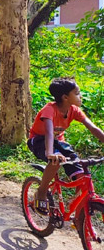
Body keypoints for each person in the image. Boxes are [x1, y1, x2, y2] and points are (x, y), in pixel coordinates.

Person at [27, 78, 104, 214]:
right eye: (77, 93)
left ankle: (77, 207)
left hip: (58, 142)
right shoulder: (49, 109)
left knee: (80, 173)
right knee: (55, 160)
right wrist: (50, 153)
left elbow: (93, 128)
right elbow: (49, 133)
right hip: (39, 141)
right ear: (65, 97)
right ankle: (42, 191)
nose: (81, 96)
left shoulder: (74, 110)